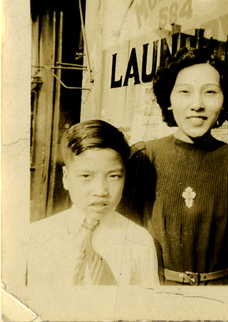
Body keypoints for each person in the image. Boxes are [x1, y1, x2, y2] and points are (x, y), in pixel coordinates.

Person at [118, 46, 228, 286]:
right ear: (168, 99)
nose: (197, 104)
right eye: (184, 92)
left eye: (209, 92)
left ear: (224, 100)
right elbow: (122, 243)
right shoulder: (143, 158)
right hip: (157, 294)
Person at [27, 120, 160, 286]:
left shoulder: (139, 241)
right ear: (66, 178)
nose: (100, 191)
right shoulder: (37, 236)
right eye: (86, 176)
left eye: (114, 176)